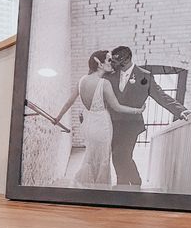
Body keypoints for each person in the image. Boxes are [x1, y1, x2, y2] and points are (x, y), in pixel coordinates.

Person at [54, 50, 145, 186]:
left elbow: (69, 102)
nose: (111, 63)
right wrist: (138, 110)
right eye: (108, 60)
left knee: (90, 155)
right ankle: (100, 187)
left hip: (88, 124)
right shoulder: (103, 83)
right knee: (103, 158)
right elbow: (117, 107)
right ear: (99, 63)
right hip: (102, 125)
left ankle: (87, 184)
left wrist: (58, 118)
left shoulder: (81, 81)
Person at [108, 45, 191, 186]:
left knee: (124, 155)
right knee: (116, 156)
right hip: (112, 123)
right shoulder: (110, 75)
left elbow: (161, 96)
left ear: (126, 59)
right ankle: (132, 181)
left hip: (131, 125)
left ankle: (125, 184)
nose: (112, 64)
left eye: (116, 61)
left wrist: (180, 110)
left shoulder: (144, 75)